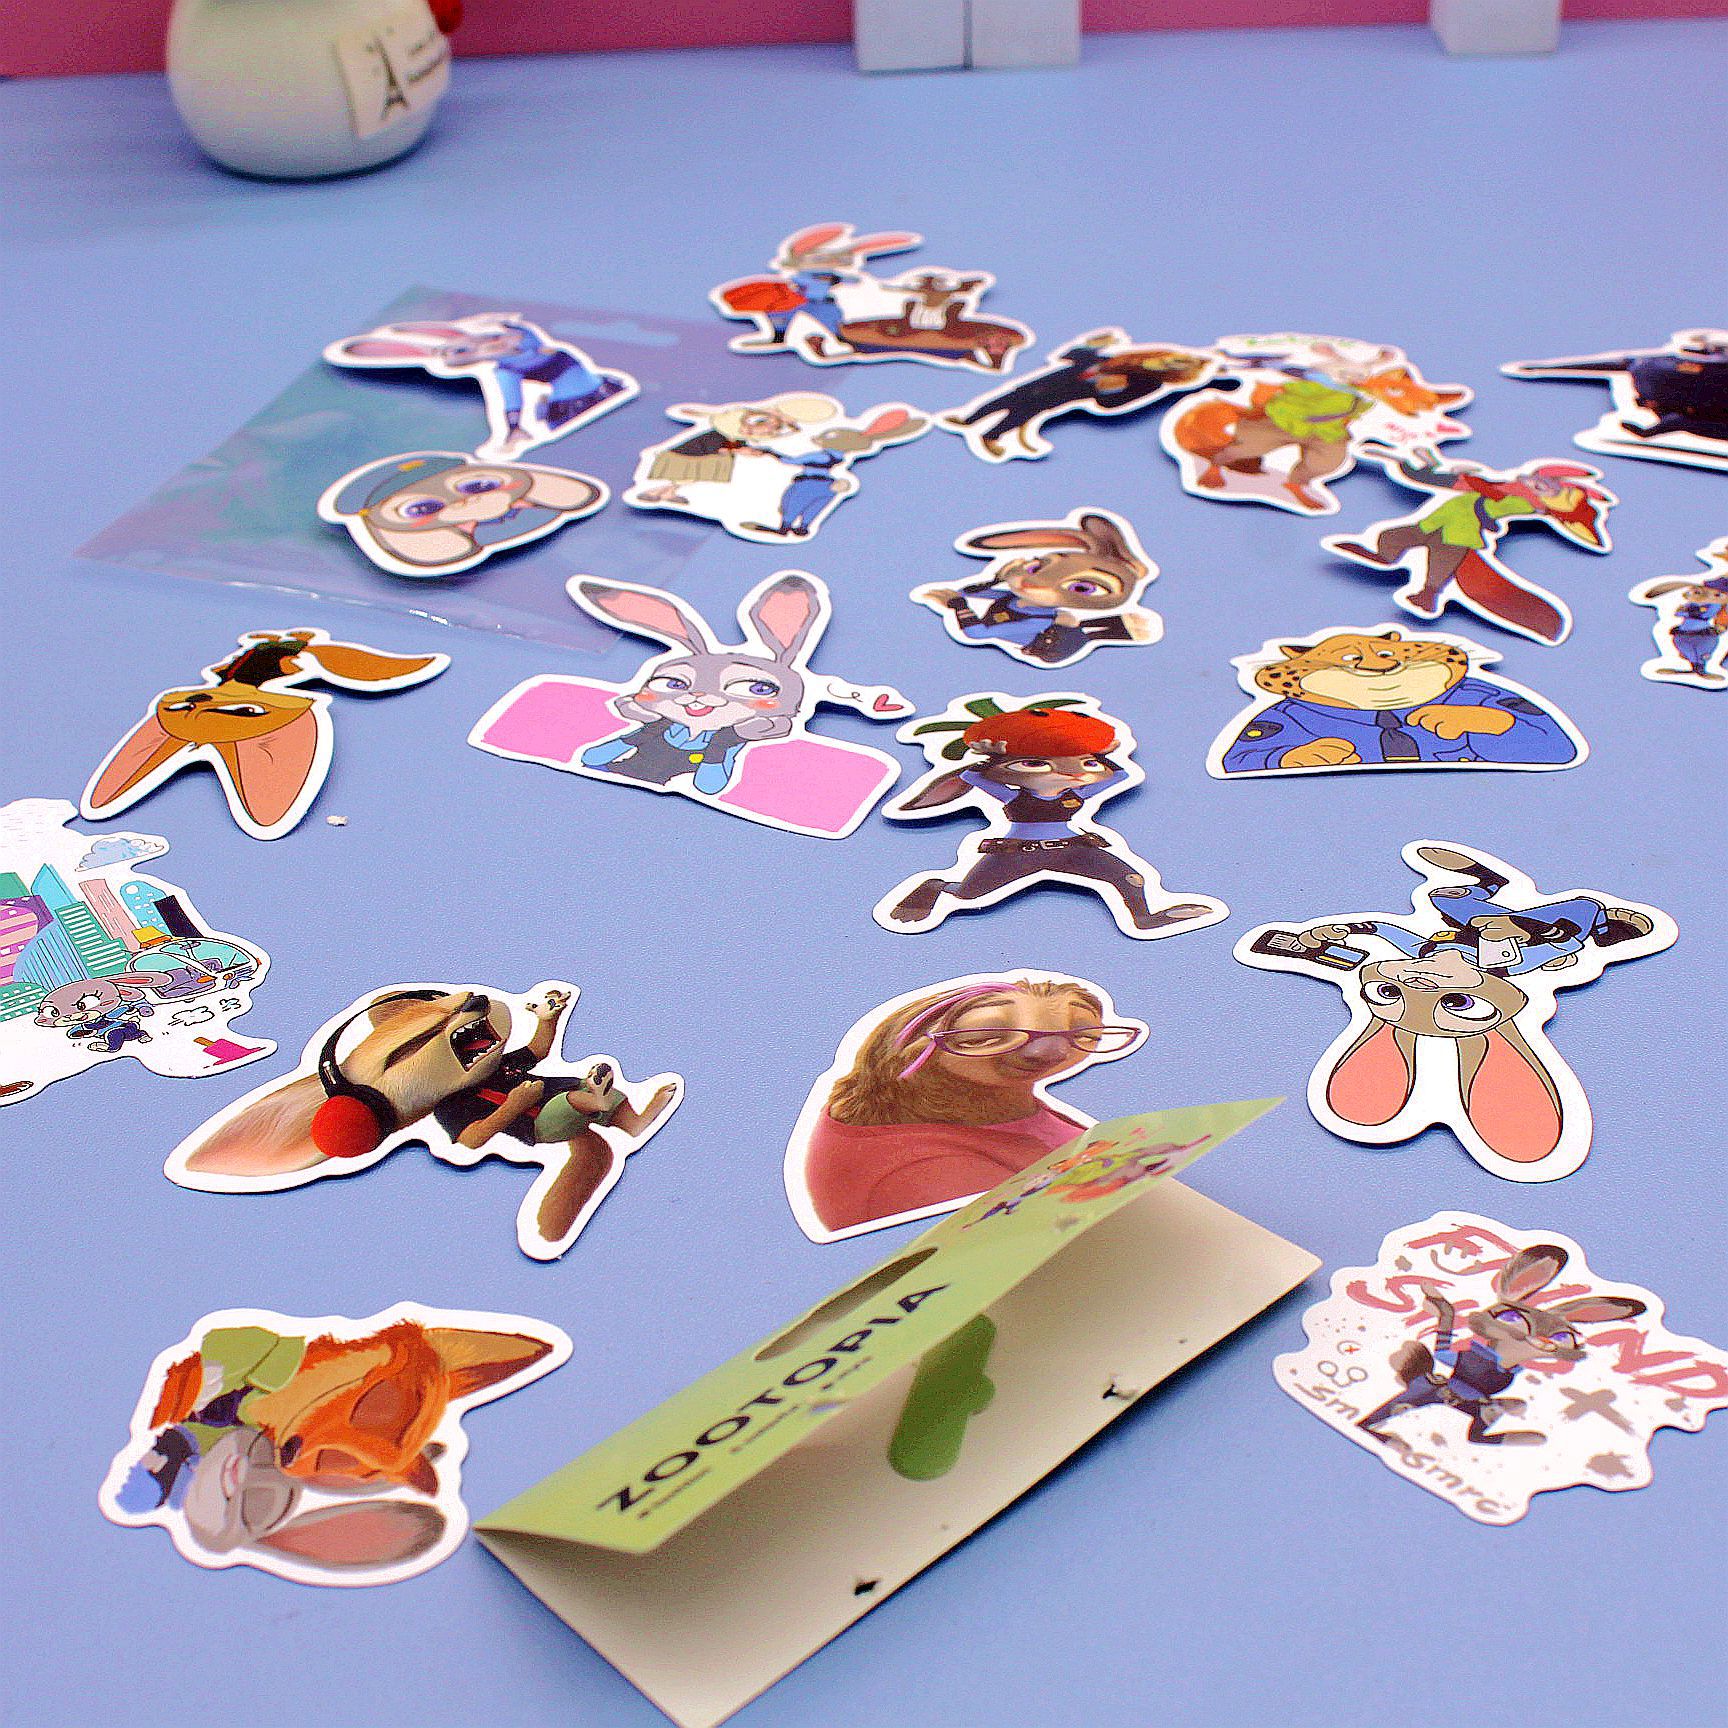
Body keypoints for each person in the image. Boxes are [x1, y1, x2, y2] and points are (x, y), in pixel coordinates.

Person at [799, 977, 1142, 1234]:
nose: (1051, 1053)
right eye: (984, 1036)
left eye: (1082, 1034)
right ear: (913, 1051)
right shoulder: (923, 1171)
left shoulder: (1001, 1097)